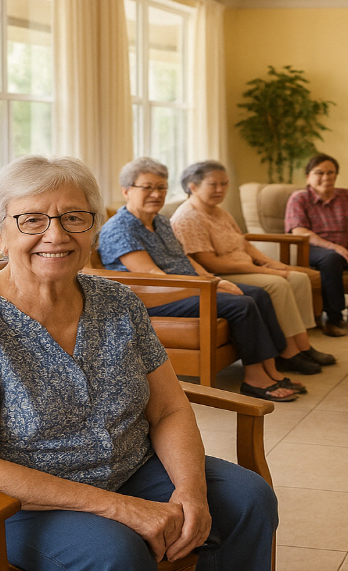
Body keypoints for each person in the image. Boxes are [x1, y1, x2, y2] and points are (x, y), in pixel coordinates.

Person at [0, 155, 277, 571]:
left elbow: (169, 409)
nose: (56, 235)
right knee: (114, 553)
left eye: (74, 218)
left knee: (249, 500)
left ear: (93, 228)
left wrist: (191, 490)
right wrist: (119, 507)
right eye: (31, 220)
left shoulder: (118, 302)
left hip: (120, 467)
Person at [99, 156, 307, 401]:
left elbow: (185, 260)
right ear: (126, 191)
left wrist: (212, 279)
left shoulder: (160, 222)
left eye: (161, 187)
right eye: (148, 187)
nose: (156, 194)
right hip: (153, 297)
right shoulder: (119, 228)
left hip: (189, 288)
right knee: (241, 305)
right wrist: (208, 287)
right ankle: (254, 379)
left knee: (258, 293)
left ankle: (271, 371)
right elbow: (154, 278)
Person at [171, 160, 334, 375]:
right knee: (276, 283)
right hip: (221, 274)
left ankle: (303, 345)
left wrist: (273, 263)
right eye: (213, 184)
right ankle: (288, 352)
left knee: (297, 278)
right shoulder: (188, 217)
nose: (220, 189)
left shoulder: (219, 211)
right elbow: (209, 262)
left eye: (224, 184)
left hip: (244, 267)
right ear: (193, 186)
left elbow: (244, 244)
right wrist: (267, 271)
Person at [284, 153, 348, 336]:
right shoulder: (299, 198)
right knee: (332, 259)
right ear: (308, 177)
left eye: (331, 173)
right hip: (313, 247)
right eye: (319, 173)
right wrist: (332, 246)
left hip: (347, 246)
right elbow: (299, 231)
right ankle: (334, 316)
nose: (326, 177)